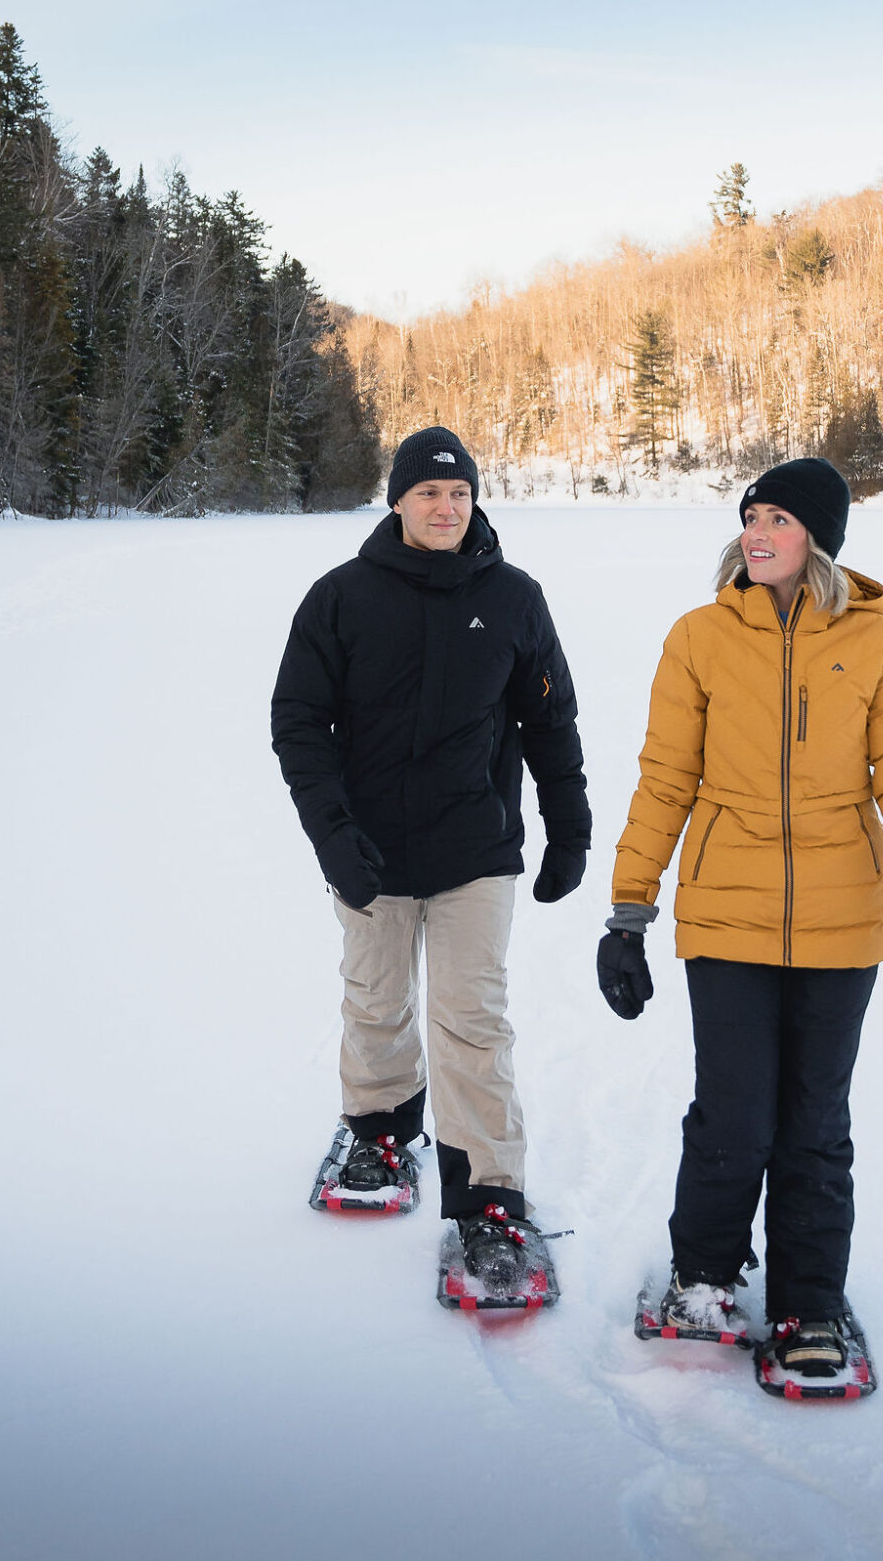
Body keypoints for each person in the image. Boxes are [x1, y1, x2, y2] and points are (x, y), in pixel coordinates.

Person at [597, 457, 883, 1376]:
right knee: (732, 1113)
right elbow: (665, 781)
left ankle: (810, 1304)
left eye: (777, 520)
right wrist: (628, 912)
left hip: (844, 921)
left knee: (814, 1120)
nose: (755, 535)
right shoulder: (699, 637)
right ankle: (704, 1275)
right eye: (750, 518)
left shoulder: (880, 647)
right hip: (726, 913)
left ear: (820, 539)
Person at [272, 425, 590, 1291]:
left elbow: (549, 724)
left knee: (469, 1018)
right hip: (367, 846)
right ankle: (378, 1134)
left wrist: (571, 829)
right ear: (399, 502)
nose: (446, 508)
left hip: (474, 849)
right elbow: (298, 725)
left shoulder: (515, 598)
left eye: (459, 494)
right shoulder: (341, 597)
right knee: (374, 999)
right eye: (428, 494)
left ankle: (490, 1197)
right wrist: (333, 835)